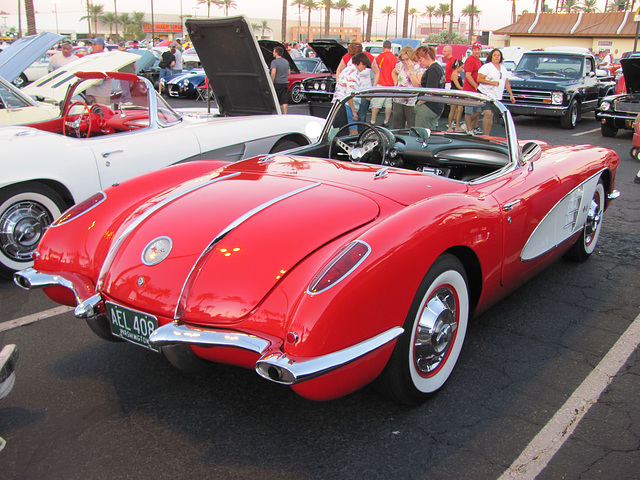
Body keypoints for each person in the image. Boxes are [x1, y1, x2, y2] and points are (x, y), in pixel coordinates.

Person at [477, 48, 516, 136]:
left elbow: (506, 82)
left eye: (498, 55)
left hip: (496, 95)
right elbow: (479, 79)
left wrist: (511, 95)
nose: (496, 57)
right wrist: (492, 82)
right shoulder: (487, 67)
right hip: (485, 93)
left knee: (490, 115)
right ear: (491, 56)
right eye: (494, 55)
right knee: (488, 113)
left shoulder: (503, 68)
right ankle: (485, 135)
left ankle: (487, 134)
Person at [332, 52, 371, 133]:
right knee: (353, 132)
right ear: (360, 63)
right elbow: (350, 94)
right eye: (364, 66)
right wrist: (353, 111)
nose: (364, 69)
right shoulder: (354, 73)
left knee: (341, 131)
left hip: (338, 102)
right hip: (347, 106)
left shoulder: (346, 69)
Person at [412, 46, 445, 130]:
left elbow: (430, 90)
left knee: (420, 133)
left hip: (428, 106)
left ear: (428, 56)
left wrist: (420, 103)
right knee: (430, 132)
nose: (419, 63)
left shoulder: (433, 69)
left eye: (420, 60)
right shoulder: (438, 68)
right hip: (435, 106)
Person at [391, 46, 424, 129]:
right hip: (398, 98)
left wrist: (411, 70)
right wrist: (396, 83)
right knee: (397, 124)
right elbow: (393, 72)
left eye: (407, 59)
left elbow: (417, 84)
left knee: (412, 124)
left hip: (411, 100)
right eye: (403, 59)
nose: (405, 61)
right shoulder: (400, 66)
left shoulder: (418, 68)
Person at [370, 40, 398, 126]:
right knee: (388, 104)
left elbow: (374, 65)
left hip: (381, 83)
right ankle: (386, 121)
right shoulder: (394, 58)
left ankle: (373, 121)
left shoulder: (381, 56)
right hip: (391, 85)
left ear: (383, 47)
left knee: (376, 104)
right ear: (391, 47)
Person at [463, 41, 483, 134]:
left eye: (478, 49)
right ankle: (468, 128)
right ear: (472, 50)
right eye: (475, 49)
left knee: (478, 110)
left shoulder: (479, 61)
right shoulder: (470, 60)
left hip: (476, 90)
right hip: (469, 90)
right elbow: (468, 75)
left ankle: (470, 126)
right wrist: (475, 86)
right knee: (469, 111)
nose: (477, 51)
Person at [270, 45, 291, 114]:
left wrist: (271, 82)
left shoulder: (274, 62)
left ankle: (277, 113)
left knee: (276, 99)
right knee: (284, 99)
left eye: (273, 51)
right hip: (284, 82)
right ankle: (285, 113)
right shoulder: (286, 62)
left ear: (276, 53)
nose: (273, 53)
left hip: (277, 83)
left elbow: (273, 73)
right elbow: (288, 72)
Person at [447, 59, 465, 132]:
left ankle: (457, 125)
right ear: (457, 67)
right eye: (461, 67)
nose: (462, 69)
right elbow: (458, 86)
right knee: (453, 110)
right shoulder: (454, 75)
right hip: (455, 94)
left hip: (458, 94)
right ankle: (450, 126)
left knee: (459, 110)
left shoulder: (458, 74)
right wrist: (465, 88)